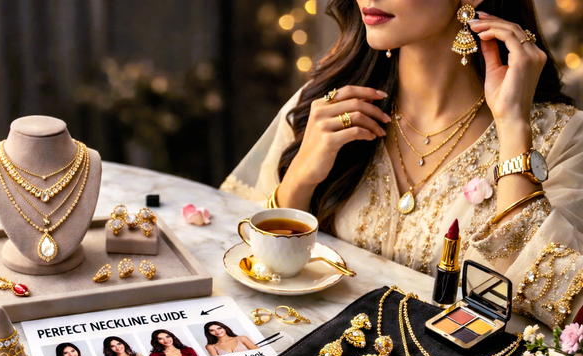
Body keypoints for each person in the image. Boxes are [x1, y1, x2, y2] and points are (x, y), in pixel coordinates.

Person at [220, 1, 583, 329]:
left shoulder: (560, 137)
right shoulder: (327, 109)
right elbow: (242, 267)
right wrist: (299, 181)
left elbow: (562, 313)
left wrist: (513, 128)